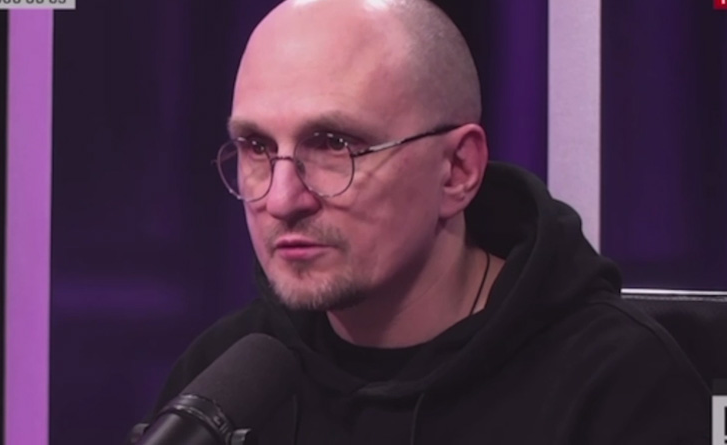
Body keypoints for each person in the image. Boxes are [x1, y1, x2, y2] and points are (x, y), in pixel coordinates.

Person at [131, 0, 710, 443]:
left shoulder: (617, 386)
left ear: (457, 170)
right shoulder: (224, 378)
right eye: (257, 147)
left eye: (334, 144)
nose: (282, 199)